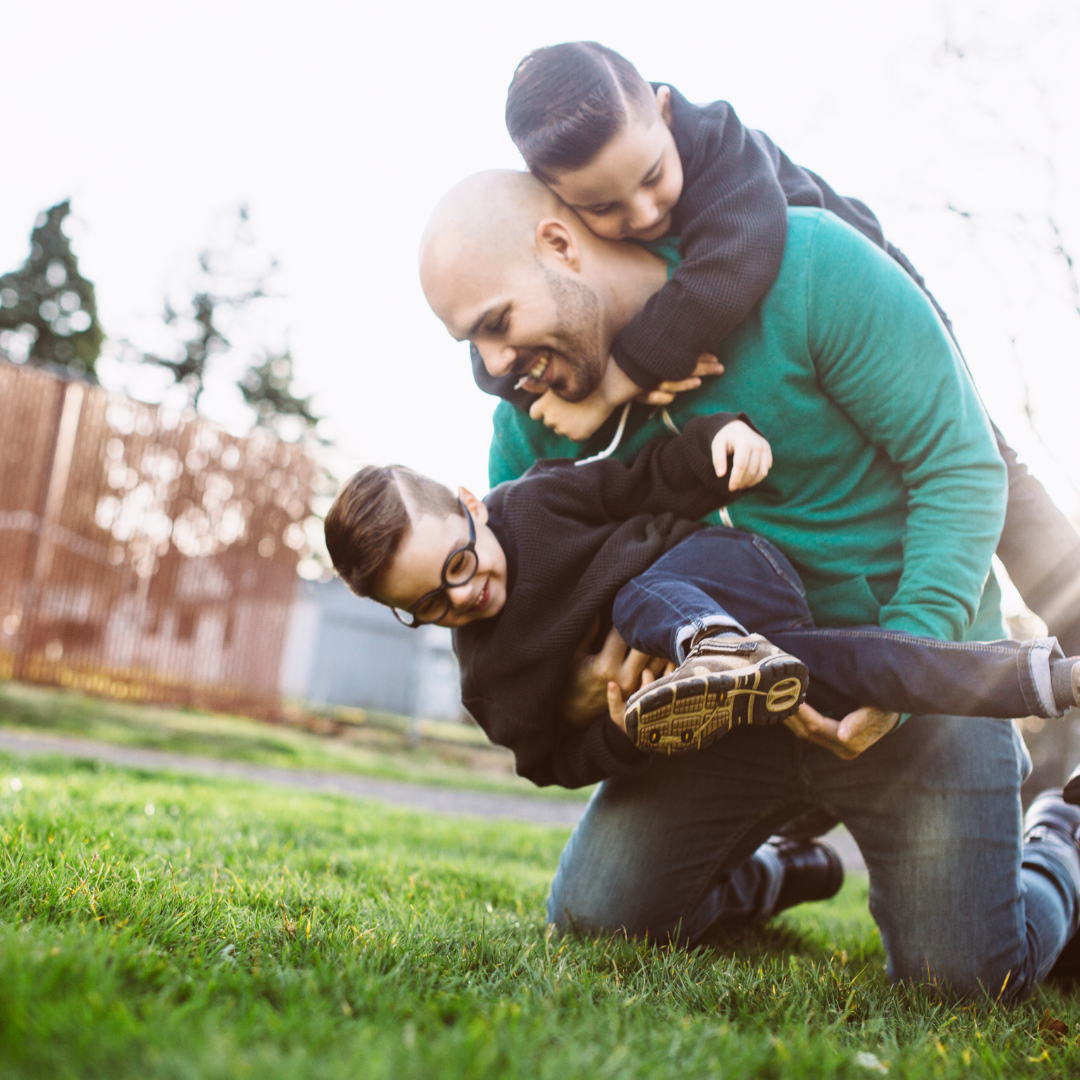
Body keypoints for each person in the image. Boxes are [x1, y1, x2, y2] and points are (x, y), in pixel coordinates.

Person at [418, 168, 1080, 997]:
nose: (493, 364)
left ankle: (1061, 839)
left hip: (917, 688)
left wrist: (905, 664)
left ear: (559, 245)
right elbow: (531, 626)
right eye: (472, 344)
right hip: (722, 721)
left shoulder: (813, 267)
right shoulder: (529, 429)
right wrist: (581, 693)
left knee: (968, 984)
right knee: (597, 919)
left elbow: (961, 465)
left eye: (496, 323)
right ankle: (782, 869)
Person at [471, 40, 1080, 660]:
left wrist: (620, 379)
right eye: (604, 207)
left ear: (665, 112)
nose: (646, 211)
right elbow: (488, 339)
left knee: (994, 469)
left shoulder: (724, 151)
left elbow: (732, 265)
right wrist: (512, 376)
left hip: (870, 301)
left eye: (653, 176)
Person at [324, 411, 1080, 785]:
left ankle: (713, 647)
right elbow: (546, 762)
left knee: (634, 600)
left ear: (471, 505)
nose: (462, 596)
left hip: (732, 572)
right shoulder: (490, 680)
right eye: (429, 606)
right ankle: (1045, 677)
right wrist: (621, 731)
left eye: (459, 563)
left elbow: (638, 479)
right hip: (754, 667)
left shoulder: (533, 503)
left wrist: (721, 438)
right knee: (848, 667)